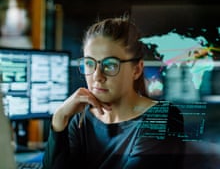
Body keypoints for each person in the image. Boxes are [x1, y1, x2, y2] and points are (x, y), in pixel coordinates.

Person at [42, 16, 185, 169]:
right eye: (89, 63)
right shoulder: (80, 120)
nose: (97, 76)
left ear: (136, 70)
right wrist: (59, 118)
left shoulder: (162, 118)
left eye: (110, 65)